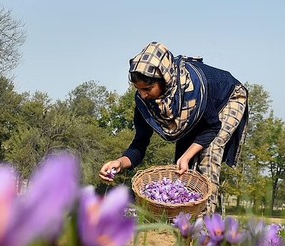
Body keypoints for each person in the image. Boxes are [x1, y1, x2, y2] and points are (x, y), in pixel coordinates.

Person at [99, 41, 248, 215]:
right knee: (183, 171)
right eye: (138, 90)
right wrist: (120, 163)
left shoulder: (193, 87)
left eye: (147, 89)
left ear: (165, 80)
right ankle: (185, 220)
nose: (143, 95)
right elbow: (140, 143)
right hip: (196, 115)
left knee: (210, 151)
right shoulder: (144, 102)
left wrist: (186, 156)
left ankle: (206, 223)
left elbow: (213, 127)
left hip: (228, 98)